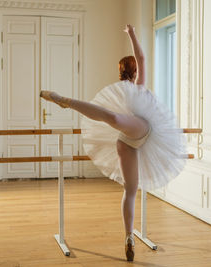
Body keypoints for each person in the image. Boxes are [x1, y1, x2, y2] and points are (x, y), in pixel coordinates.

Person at [40, 24, 187, 262]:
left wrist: (131, 34)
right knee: (128, 186)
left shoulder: (128, 90)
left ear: (122, 71)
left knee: (116, 126)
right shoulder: (137, 88)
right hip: (137, 135)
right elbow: (141, 56)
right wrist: (132, 34)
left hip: (129, 139)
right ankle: (128, 236)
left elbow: (140, 57)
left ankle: (66, 101)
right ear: (136, 70)